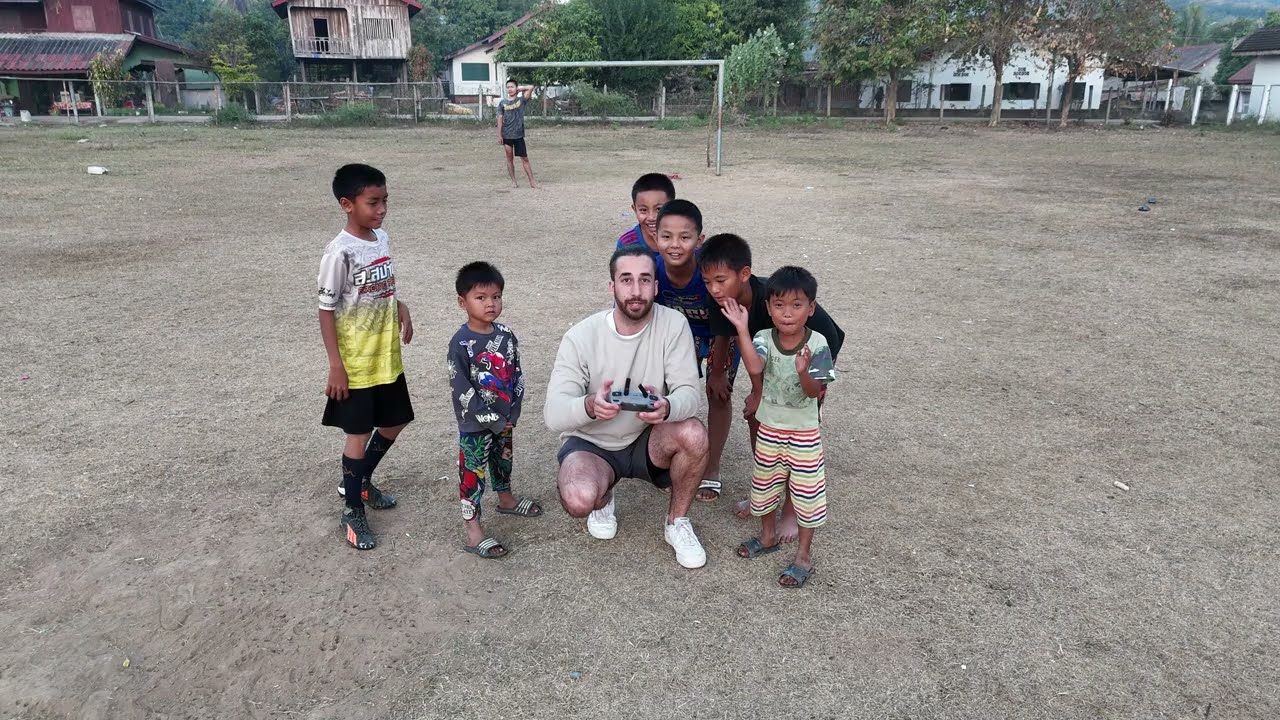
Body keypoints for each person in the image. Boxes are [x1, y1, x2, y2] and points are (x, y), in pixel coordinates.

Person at [543, 245, 710, 569]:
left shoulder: (673, 325)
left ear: (656, 286)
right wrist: (590, 406)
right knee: (579, 499)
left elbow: (690, 394)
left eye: (645, 280)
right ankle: (603, 495)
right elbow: (554, 414)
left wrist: (668, 407)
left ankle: (677, 522)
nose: (636, 291)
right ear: (612, 286)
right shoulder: (581, 336)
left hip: (649, 437)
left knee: (694, 433)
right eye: (626, 280)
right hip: (592, 444)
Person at [699, 234, 845, 540]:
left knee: (797, 432)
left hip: (814, 352)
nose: (714, 288)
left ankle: (792, 511)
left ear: (744, 275)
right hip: (770, 360)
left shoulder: (773, 300)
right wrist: (720, 374)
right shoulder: (720, 299)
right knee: (762, 423)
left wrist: (803, 384)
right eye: (708, 281)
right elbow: (726, 337)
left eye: (721, 280)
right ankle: (765, 495)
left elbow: (824, 342)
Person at [318, 163, 415, 551]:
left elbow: (382, 287)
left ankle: (357, 482)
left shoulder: (381, 239)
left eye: (385, 201)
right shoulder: (338, 252)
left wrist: (401, 307)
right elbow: (326, 310)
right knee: (357, 434)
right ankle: (352, 510)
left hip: (386, 355)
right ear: (347, 204)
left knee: (396, 421)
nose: (381, 209)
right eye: (372, 202)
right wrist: (336, 366)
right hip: (356, 362)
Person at [722, 266, 835, 588]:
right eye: (779, 305)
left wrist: (803, 371)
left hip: (804, 434)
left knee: (808, 493)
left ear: (811, 308)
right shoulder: (761, 338)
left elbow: (815, 392)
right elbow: (755, 367)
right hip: (769, 429)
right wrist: (742, 329)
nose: (788, 313)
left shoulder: (820, 344)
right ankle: (768, 536)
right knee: (764, 487)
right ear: (769, 308)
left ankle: (803, 556)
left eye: (797, 305)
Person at [448, 262, 542, 559]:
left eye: (497, 296)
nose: (491, 303)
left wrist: (511, 416)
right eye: (481, 297)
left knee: (503, 462)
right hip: (476, 426)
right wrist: (492, 420)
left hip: (505, 422)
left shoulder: (506, 335)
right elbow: (462, 390)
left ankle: (506, 498)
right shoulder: (460, 343)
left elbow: (517, 377)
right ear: (463, 302)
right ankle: (474, 531)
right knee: (472, 474)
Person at [651, 200, 740, 503]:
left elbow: (725, 324)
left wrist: (717, 372)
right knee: (663, 392)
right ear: (655, 236)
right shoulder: (652, 269)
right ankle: (666, 460)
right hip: (677, 338)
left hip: (719, 335)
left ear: (699, 240)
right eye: (666, 236)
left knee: (719, 394)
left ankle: (711, 467)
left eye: (685, 237)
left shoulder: (711, 272)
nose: (675, 245)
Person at [616, 173, 676, 261]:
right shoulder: (627, 244)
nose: (651, 217)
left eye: (659, 209)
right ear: (635, 209)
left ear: (673, 206)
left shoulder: (684, 240)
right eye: (643, 210)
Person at [497, 79, 537, 188]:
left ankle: (532, 182)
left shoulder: (521, 100)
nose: (510, 89)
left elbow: (531, 87)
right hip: (507, 135)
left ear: (516, 88)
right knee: (509, 159)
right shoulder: (502, 103)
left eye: (512, 87)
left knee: (525, 159)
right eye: (508, 87)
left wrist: (521, 88)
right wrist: (499, 135)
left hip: (519, 135)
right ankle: (514, 182)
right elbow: (500, 119)